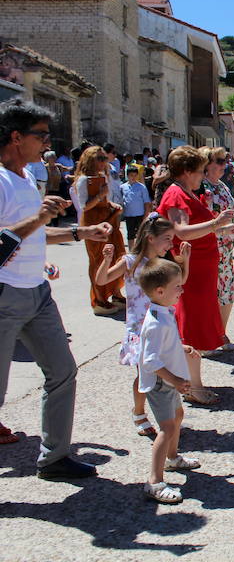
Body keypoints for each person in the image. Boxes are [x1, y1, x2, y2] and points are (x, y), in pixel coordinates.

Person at [0, 97, 113, 479]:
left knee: (62, 371)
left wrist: (80, 231)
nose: (48, 143)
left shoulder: (27, 177)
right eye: (41, 135)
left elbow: (35, 232)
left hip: (36, 292)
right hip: (5, 295)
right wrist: (37, 217)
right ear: (16, 136)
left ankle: (54, 458)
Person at [94, 215, 208, 429]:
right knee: (145, 373)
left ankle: (169, 417)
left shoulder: (162, 264)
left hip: (162, 324)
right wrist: (106, 260)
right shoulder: (130, 261)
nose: (170, 244)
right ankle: (138, 412)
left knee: (166, 369)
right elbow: (102, 280)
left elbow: (180, 281)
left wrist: (186, 259)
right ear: (150, 238)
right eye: (166, 238)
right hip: (139, 327)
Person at [156, 146, 234, 359]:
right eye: (201, 171)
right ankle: (189, 382)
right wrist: (215, 224)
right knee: (191, 325)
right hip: (192, 271)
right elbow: (181, 231)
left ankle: (190, 381)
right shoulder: (176, 194)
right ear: (187, 171)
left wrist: (221, 228)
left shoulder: (185, 192)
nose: (203, 176)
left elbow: (193, 228)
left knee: (195, 324)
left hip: (200, 269)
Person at [137, 258, 202, 504]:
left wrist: (180, 347)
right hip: (162, 383)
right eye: (177, 286)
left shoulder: (163, 311)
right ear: (160, 291)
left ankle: (173, 458)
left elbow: (165, 345)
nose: (181, 290)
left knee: (178, 417)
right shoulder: (155, 322)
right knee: (167, 428)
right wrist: (175, 379)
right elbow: (150, 361)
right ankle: (154, 481)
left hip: (170, 381)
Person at [73, 145, 128, 315]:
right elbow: (84, 206)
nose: (104, 162)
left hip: (108, 220)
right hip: (93, 222)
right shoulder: (83, 180)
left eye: (105, 159)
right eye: (100, 159)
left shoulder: (103, 176)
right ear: (90, 160)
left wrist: (112, 204)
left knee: (118, 255)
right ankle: (99, 300)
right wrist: (100, 195)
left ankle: (116, 293)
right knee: (99, 260)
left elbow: (105, 201)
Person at [200, 146, 234, 350]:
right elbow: (201, 222)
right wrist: (224, 229)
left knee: (227, 292)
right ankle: (208, 339)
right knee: (211, 294)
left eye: (225, 161)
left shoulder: (221, 186)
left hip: (225, 249)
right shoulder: (201, 188)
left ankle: (220, 334)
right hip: (210, 248)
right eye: (220, 161)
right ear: (207, 164)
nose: (225, 165)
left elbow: (230, 210)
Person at [121, 165, 151, 249]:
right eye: (131, 175)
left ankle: (139, 250)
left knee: (140, 234)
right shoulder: (123, 187)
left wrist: (146, 215)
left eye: (135, 175)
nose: (133, 177)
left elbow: (146, 202)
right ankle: (131, 250)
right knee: (130, 234)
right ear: (127, 176)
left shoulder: (142, 187)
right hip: (128, 215)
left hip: (140, 214)